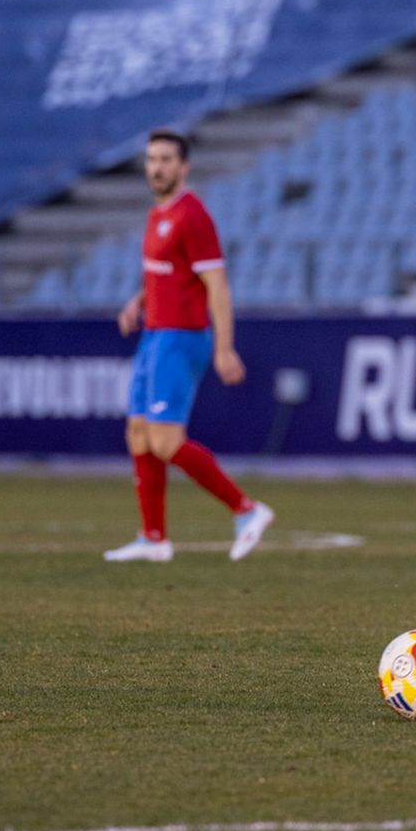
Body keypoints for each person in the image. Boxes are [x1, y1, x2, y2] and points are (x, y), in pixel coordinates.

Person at [103, 129, 273, 564]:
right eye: (151, 159)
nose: (156, 167)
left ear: (184, 167)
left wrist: (224, 347)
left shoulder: (192, 216)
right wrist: (137, 302)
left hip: (181, 338)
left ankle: (247, 510)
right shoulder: (158, 214)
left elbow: (217, 286)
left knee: (164, 440)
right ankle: (153, 538)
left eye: (165, 160)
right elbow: (162, 271)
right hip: (154, 334)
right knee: (138, 435)